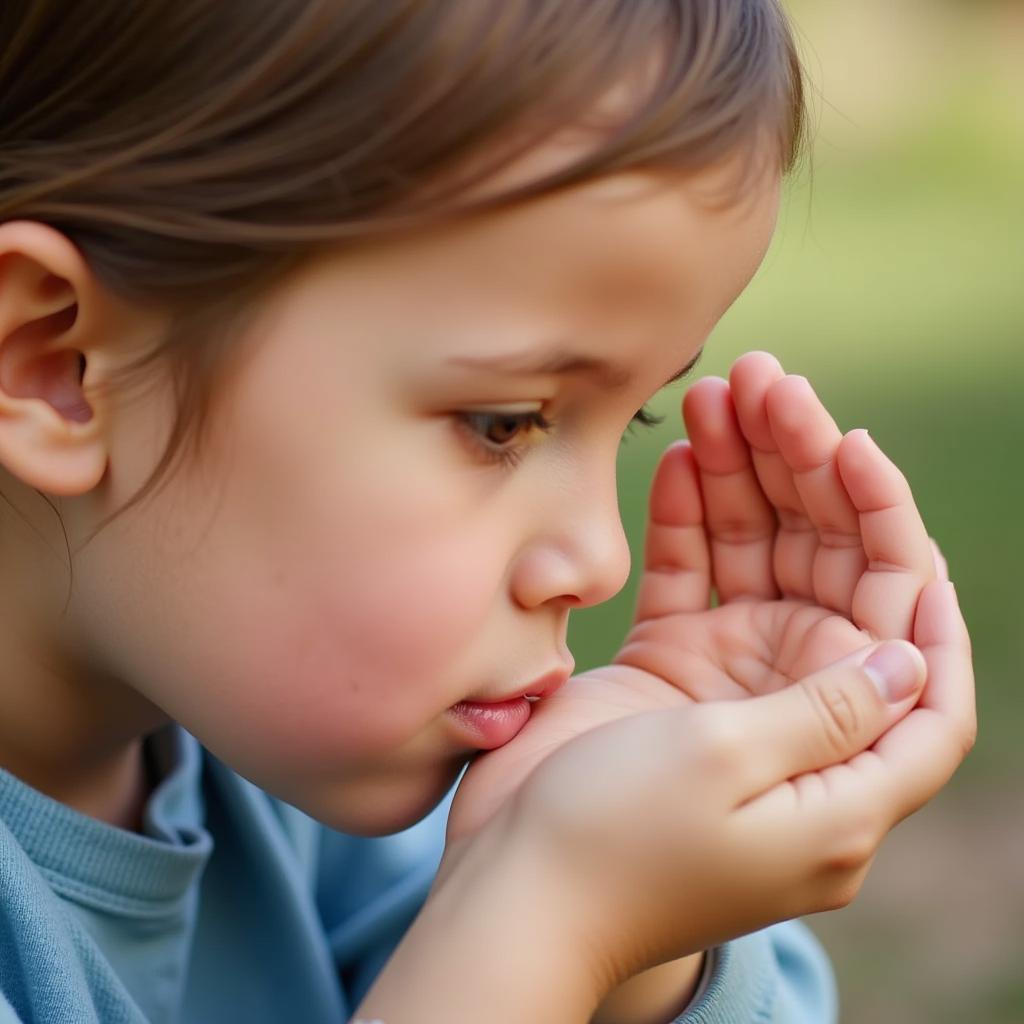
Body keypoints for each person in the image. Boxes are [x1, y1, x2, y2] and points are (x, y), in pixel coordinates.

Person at [0, 2, 975, 1022]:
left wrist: (634, 933)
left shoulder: (303, 774)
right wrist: (549, 919)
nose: (600, 559)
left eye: (633, 413)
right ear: (59, 366)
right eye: (503, 423)